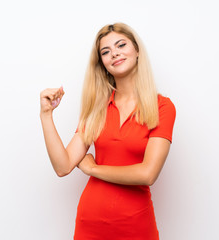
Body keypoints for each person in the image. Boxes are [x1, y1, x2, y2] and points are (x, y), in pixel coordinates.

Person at [40, 23, 176, 240]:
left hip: (136, 224)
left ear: (137, 50)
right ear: (103, 64)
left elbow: (148, 173)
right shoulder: (97, 109)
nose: (114, 53)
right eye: (106, 52)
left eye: (121, 44)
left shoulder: (162, 107)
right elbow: (63, 166)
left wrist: (94, 169)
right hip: (90, 223)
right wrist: (46, 115)